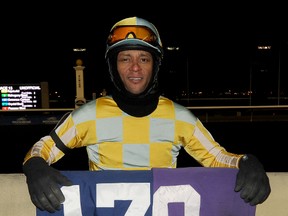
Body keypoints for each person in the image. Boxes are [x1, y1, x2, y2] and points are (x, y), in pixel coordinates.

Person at [22, 16, 271, 213]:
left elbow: (217, 157)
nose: (135, 68)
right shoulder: (88, 116)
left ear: (155, 65)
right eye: (124, 58)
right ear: (113, 67)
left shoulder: (180, 118)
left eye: (144, 58)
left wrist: (247, 161)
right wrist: (34, 166)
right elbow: (41, 149)